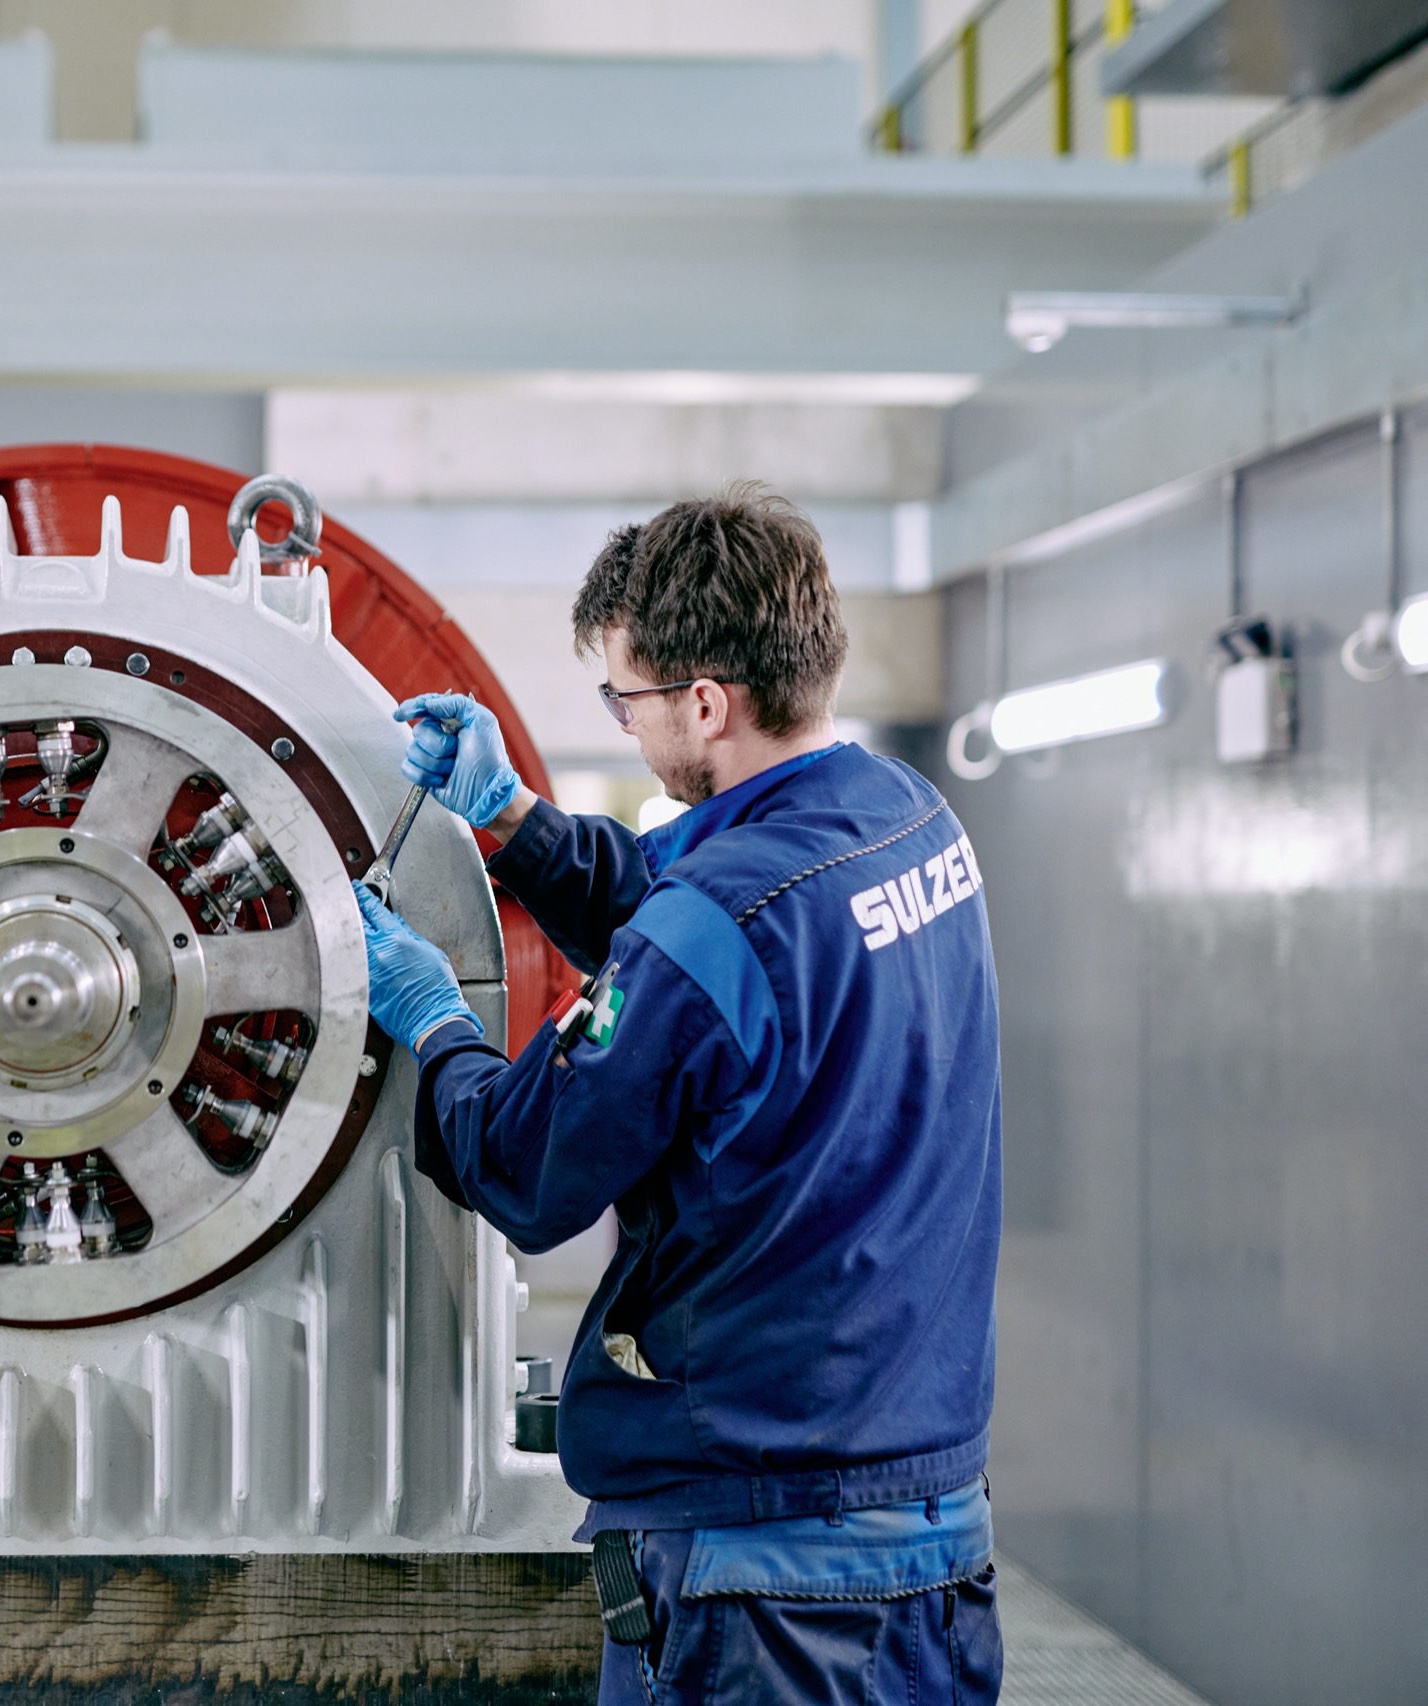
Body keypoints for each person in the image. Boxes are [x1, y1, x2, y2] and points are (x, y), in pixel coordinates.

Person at [351, 486, 1004, 1705]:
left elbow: (528, 1166)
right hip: (931, 1524)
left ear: (706, 700)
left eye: (625, 698)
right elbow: (694, 926)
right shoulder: (909, 822)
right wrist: (513, 820)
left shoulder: (717, 924)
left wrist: (430, 1013)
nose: (626, 721)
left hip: (761, 1569)